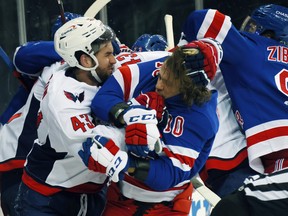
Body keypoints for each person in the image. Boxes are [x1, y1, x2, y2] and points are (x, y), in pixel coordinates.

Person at [79, 38, 222, 215]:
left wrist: (122, 163)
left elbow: (168, 175)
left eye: (167, 83)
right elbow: (104, 98)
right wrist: (128, 114)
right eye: (161, 76)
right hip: (119, 195)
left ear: (188, 88)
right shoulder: (159, 67)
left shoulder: (201, 118)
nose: (158, 85)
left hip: (163, 205)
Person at [179, 3, 288, 215]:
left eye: (254, 27)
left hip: (277, 167)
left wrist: (193, 46)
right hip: (273, 167)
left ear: (268, 33)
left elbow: (201, 18)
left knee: (229, 209)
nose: (247, 30)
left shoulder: (252, 50)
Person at [13, 16, 121, 216]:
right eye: (108, 54)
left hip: (92, 194)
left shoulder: (98, 73)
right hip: (48, 198)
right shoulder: (62, 100)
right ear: (85, 60)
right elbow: (96, 152)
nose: (114, 60)